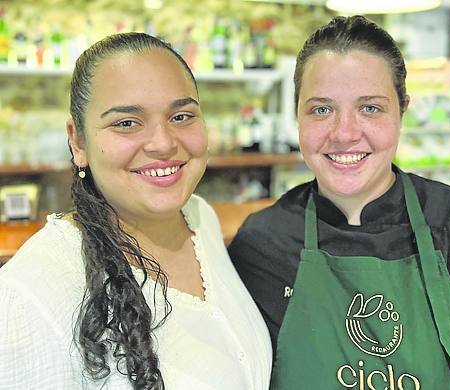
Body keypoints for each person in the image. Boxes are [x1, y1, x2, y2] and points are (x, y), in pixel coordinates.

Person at [228, 15, 450, 390]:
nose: (345, 133)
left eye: (370, 107)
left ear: (402, 110)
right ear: (297, 116)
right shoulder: (262, 244)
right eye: (321, 109)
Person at [0, 32, 271, 389]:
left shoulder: (201, 218)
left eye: (182, 116)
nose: (163, 143)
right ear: (78, 141)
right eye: (126, 122)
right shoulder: (32, 295)